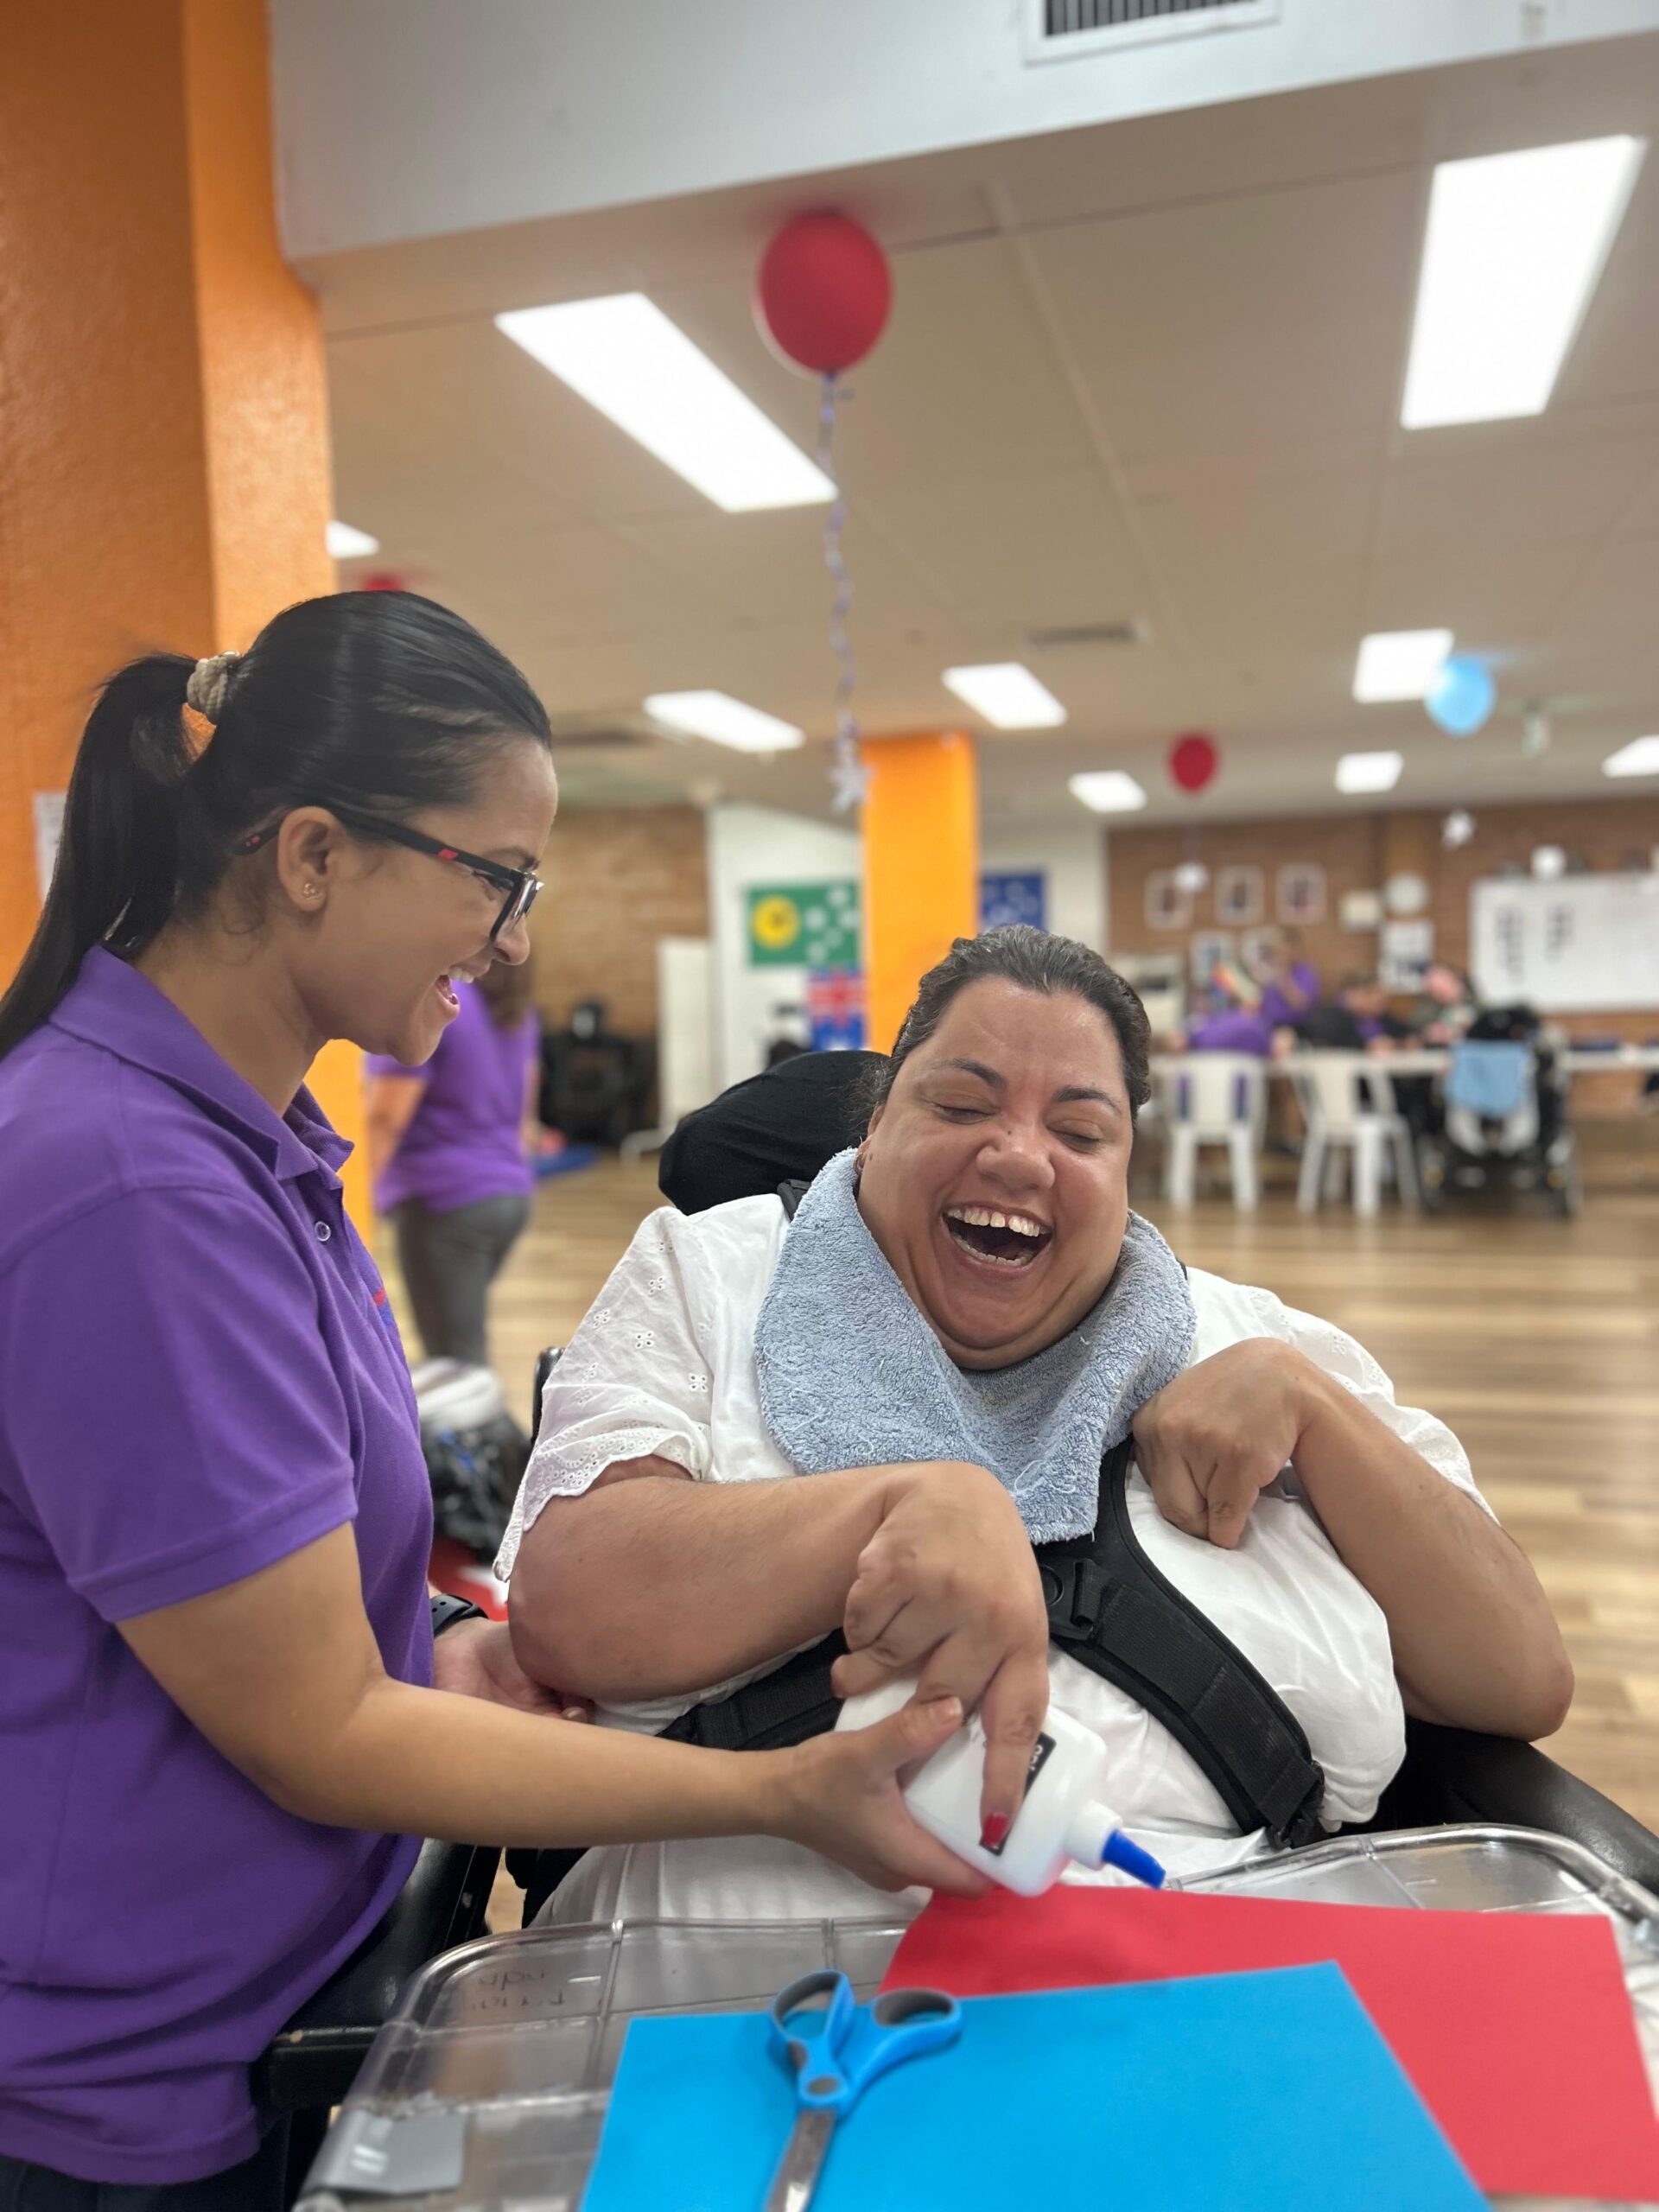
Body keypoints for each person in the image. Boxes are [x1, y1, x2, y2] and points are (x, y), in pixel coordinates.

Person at [0, 592, 982, 2209]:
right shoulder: (132, 1189)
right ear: (313, 856)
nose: (516, 940)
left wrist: (428, 1646)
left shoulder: (252, 1145)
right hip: (130, 2087)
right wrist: (778, 1797)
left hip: (293, 1973)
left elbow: (250, 1617)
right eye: (495, 878)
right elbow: (318, 1735)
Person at [501, 927, 1572, 1928]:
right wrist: (892, 1511)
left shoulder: (1253, 1345)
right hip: (735, 2003)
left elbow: (1518, 1677)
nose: (1019, 1156)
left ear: (1127, 1172)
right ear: (875, 1125)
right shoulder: (710, 1278)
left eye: (1080, 1130)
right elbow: (567, 1606)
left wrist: (1319, 1412)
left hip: (1219, 1989)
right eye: (962, 1105)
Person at [365, 957, 541, 1370]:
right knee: (457, 1348)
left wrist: (350, 1200)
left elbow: (386, 1118)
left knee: (457, 1365)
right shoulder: (516, 1011)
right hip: (509, 1195)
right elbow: (525, 1120)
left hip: (446, 1203)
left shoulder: (434, 1004)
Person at [1248, 926, 1321, 1032]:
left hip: (1295, 1028)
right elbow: (1256, 1001)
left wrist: (1283, 973)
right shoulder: (1267, 970)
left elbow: (1300, 1005)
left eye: (1282, 951)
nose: (1277, 955)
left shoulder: (1304, 971)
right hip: (1266, 1026)